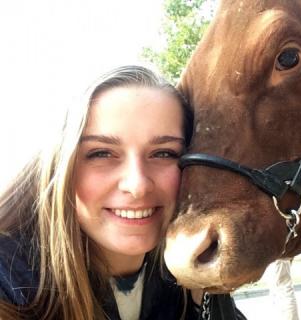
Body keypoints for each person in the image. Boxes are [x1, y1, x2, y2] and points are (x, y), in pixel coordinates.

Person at [0, 65, 244, 320]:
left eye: (164, 153)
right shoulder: (9, 280)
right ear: (62, 167)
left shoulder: (185, 277)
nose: (137, 185)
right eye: (101, 153)